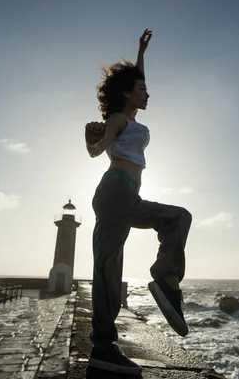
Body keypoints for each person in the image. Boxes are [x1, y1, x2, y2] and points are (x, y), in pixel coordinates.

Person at [84, 29, 192, 374]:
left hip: (129, 195)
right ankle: (103, 346)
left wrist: (141, 50)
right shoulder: (116, 119)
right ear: (127, 93)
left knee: (178, 217)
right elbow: (97, 151)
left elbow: (138, 78)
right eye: (142, 89)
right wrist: (90, 139)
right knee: (108, 266)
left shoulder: (132, 120)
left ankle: (165, 278)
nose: (148, 92)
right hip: (115, 190)